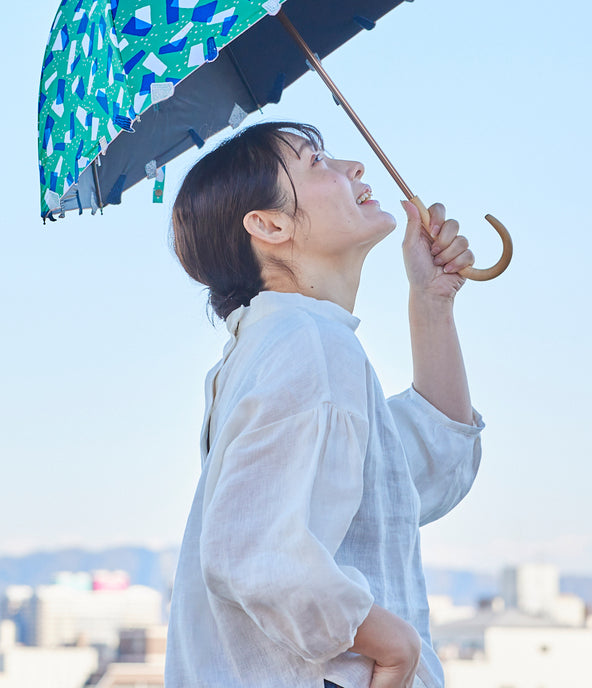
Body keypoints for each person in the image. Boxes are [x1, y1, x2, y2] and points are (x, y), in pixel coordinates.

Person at [165, 121, 485, 688]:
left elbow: (412, 476)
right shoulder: (304, 341)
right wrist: (394, 647)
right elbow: (251, 550)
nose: (353, 168)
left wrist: (432, 301)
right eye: (316, 162)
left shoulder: (281, 342)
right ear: (269, 225)